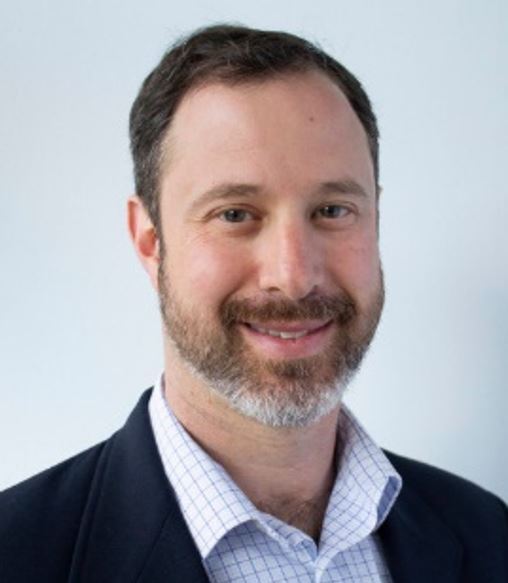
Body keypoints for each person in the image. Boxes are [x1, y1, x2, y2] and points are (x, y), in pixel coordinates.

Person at [0, 24, 507, 583]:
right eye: (236, 214)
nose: (293, 278)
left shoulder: (486, 532)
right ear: (149, 240)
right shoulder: (18, 554)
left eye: (333, 210)